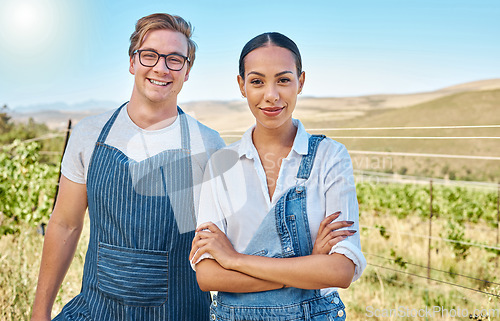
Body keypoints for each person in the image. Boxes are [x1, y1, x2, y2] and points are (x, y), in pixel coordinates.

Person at [31, 13, 224, 321]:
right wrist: (39, 314)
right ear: (132, 62)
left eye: (175, 59)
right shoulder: (89, 135)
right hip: (96, 311)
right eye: (150, 55)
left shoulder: (207, 144)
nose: (161, 67)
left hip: (180, 313)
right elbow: (65, 225)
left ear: (187, 71)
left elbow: (224, 244)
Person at [190, 32, 366, 320]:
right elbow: (208, 276)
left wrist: (234, 260)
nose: (271, 95)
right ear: (241, 85)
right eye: (257, 81)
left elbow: (340, 271)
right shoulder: (221, 164)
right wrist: (307, 267)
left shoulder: (330, 157)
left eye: (283, 79)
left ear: (301, 81)